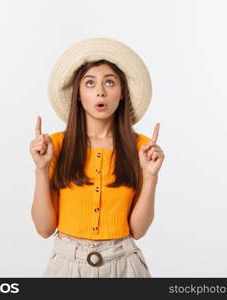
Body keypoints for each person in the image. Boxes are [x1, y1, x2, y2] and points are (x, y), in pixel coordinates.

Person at [29, 37, 165, 277]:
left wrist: (151, 176)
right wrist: (41, 168)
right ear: (78, 95)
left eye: (110, 83)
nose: (100, 92)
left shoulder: (141, 148)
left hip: (124, 267)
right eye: (90, 83)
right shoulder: (57, 146)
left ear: (122, 93)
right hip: (67, 267)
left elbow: (138, 230)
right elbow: (44, 228)